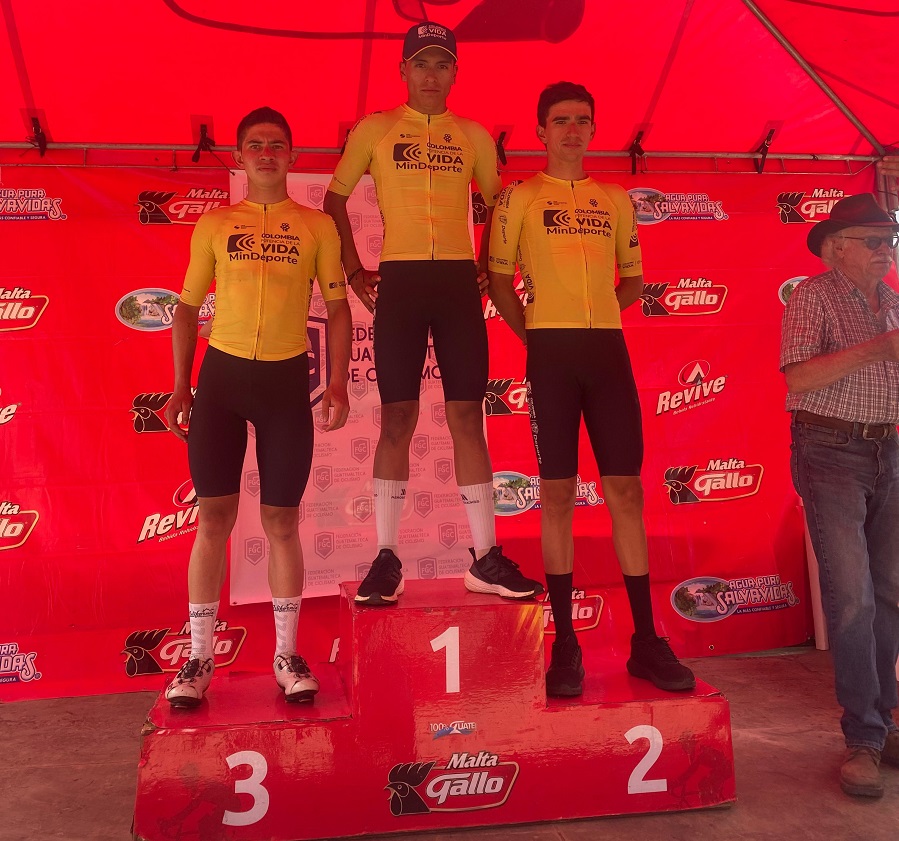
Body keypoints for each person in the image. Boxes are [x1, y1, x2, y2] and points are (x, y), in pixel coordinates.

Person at [487, 81, 696, 698]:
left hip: (607, 352)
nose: (572, 130)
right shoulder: (519, 198)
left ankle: (646, 642)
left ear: (594, 130)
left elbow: (632, 280)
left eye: (582, 119)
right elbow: (498, 281)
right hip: (550, 354)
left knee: (626, 492)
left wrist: (594, 318)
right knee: (555, 497)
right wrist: (540, 338)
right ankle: (565, 645)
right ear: (540, 132)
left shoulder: (615, 199)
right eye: (561, 120)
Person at [323, 23, 543, 605]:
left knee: (468, 417)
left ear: (455, 73)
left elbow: (498, 204)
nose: (430, 75)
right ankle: (386, 557)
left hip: (455, 284)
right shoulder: (375, 129)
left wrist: (486, 263)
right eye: (420, 63)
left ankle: (485, 557)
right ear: (402, 70)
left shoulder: (472, 134)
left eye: (442, 64)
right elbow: (335, 198)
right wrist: (354, 269)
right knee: (397, 419)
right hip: (400, 280)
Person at [163, 106, 352, 707]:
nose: (266, 153)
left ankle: (286, 655)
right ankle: (198, 657)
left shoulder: (317, 225)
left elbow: (339, 308)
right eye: (255, 145)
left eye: (276, 144)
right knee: (212, 519)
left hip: (284, 383)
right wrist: (179, 385)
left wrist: (340, 382)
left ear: (292, 156)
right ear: (240, 156)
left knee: (281, 523)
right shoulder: (216, 223)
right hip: (221, 380)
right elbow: (187, 307)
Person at [781, 192, 899, 797]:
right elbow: (798, 377)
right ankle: (863, 737)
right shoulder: (812, 295)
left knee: (889, 593)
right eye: (873, 240)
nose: (885, 250)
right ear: (836, 249)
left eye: (890, 240)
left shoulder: (895, 303)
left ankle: (884, 723)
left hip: (890, 449)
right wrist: (881, 347)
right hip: (829, 451)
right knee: (853, 599)